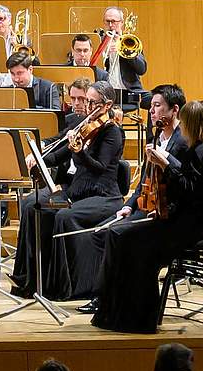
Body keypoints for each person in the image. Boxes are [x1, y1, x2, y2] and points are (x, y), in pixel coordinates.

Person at [89, 94, 203, 333]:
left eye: (184, 123)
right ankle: (116, 311)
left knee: (127, 241)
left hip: (187, 228)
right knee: (120, 235)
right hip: (185, 221)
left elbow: (189, 191)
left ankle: (136, 318)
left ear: (192, 124)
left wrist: (166, 165)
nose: (181, 127)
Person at [8, 78, 127, 300]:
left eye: (93, 103)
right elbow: (58, 155)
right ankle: (32, 279)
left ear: (107, 106)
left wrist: (79, 150)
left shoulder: (112, 132)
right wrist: (38, 158)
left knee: (63, 216)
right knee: (35, 208)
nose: (88, 108)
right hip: (79, 191)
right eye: (88, 102)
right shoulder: (84, 127)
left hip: (102, 194)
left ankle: (63, 286)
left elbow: (99, 168)